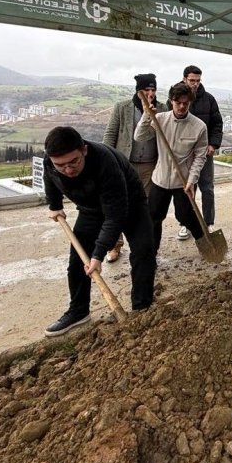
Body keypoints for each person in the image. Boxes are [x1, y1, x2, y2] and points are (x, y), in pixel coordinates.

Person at [42, 126, 156, 335]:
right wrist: (54, 204)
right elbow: (50, 178)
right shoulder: (50, 162)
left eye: (73, 162)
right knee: (78, 259)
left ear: (84, 150)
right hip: (91, 209)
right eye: (61, 165)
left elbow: (115, 216)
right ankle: (78, 311)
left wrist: (99, 254)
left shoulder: (105, 163)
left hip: (129, 203)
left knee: (143, 251)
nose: (68, 170)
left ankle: (142, 307)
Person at [134, 82, 208, 251]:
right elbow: (139, 137)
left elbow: (200, 156)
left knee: (186, 215)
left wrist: (192, 180)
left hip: (183, 181)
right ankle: (151, 253)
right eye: (178, 102)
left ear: (190, 102)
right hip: (160, 178)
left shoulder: (199, 127)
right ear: (171, 101)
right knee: (154, 216)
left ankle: (204, 242)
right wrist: (146, 116)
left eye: (185, 103)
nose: (181, 106)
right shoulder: (159, 119)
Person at [101, 73, 164, 262]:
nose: (151, 93)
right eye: (147, 90)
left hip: (150, 165)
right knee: (118, 205)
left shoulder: (161, 108)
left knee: (147, 207)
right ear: (139, 91)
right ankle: (114, 245)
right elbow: (111, 133)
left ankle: (146, 247)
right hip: (125, 163)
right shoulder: (123, 108)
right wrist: (108, 160)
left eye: (153, 90)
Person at [181, 65, 224, 235]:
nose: (195, 84)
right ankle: (186, 223)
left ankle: (208, 223)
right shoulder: (177, 98)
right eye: (192, 80)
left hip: (205, 153)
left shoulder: (209, 99)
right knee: (188, 188)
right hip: (185, 154)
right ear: (185, 79)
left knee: (207, 188)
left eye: (198, 81)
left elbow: (217, 123)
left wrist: (213, 144)